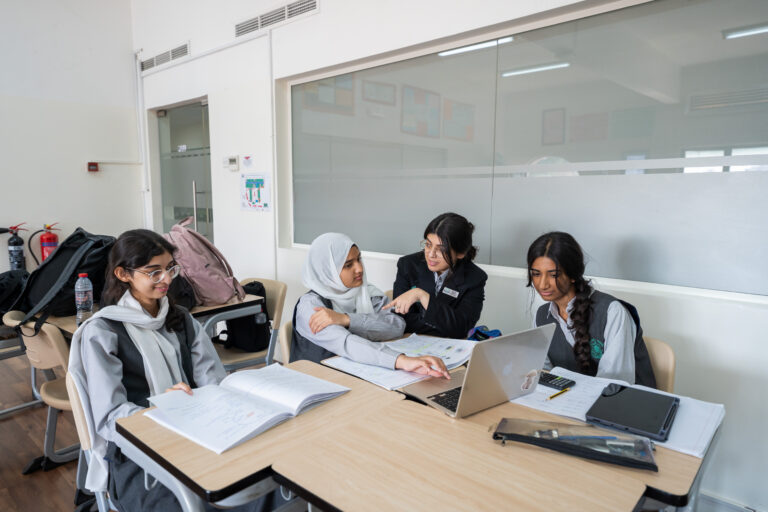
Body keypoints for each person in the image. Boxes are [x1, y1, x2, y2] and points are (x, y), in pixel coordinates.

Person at [68, 229, 278, 512]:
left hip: (200, 434)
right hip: (137, 454)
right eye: (153, 272)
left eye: (170, 269)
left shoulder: (182, 320)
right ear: (123, 274)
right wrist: (161, 410)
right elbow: (110, 418)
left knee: (263, 483)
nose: (167, 279)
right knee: (197, 503)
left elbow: (214, 383)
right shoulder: (103, 332)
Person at [290, 232, 449, 378]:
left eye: (359, 259)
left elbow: (396, 326)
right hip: (321, 381)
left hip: (361, 374)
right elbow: (346, 343)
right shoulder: (311, 306)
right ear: (327, 270)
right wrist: (401, 361)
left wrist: (347, 319)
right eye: (348, 265)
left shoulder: (367, 292)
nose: (359, 268)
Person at [527, 231, 655, 386]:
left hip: (621, 399)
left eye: (553, 275)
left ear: (573, 274)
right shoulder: (541, 316)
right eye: (536, 274)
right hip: (568, 399)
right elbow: (543, 374)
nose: (542, 284)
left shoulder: (612, 312)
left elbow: (613, 385)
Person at [386, 212, 487, 339]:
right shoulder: (408, 265)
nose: (431, 254)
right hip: (411, 341)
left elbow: (462, 328)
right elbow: (401, 320)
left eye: (441, 249)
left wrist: (422, 296)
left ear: (460, 253)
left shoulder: (474, 278)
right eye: (428, 245)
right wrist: (446, 323)